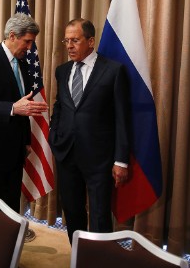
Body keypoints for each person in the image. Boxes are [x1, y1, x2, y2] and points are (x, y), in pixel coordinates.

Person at [48, 18, 131, 244]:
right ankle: (78, 254)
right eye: (66, 40)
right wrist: (53, 135)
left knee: (99, 214)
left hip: (99, 158)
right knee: (72, 211)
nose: (69, 46)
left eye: (75, 40)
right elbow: (60, 106)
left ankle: (98, 258)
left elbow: (122, 118)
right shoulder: (62, 71)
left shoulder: (114, 71)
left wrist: (121, 160)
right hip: (66, 153)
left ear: (91, 41)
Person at [0, 13, 49, 213]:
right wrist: (13, 108)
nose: (30, 47)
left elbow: (24, 104)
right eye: (27, 41)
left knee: (11, 204)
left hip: (15, 150)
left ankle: (9, 240)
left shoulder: (23, 64)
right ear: (12, 36)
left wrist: (26, 140)